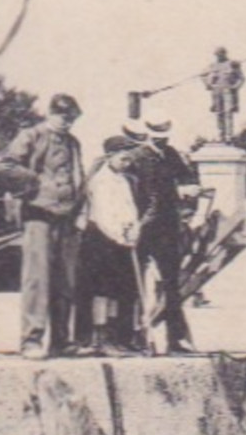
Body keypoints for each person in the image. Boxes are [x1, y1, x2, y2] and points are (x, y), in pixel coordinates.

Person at [0, 93, 87, 360]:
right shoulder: (31, 135)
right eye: (62, 117)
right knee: (37, 279)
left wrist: (80, 208)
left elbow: (77, 175)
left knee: (65, 281)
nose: (66, 122)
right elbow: (4, 164)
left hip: (68, 219)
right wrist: (34, 182)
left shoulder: (73, 143)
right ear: (50, 113)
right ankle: (31, 339)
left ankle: (61, 340)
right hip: (39, 216)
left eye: (71, 118)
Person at [74, 136, 152, 355]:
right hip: (101, 240)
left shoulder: (124, 180)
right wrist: (120, 234)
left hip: (122, 240)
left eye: (129, 159)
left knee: (123, 290)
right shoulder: (101, 181)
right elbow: (103, 215)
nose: (127, 163)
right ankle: (99, 337)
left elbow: (130, 209)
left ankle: (120, 336)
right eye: (123, 158)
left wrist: (134, 228)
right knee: (102, 290)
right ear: (110, 156)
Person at [130, 117, 197, 353]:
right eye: (156, 135)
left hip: (167, 227)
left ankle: (175, 338)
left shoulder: (171, 155)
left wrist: (189, 192)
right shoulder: (137, 157)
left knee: (171, 284)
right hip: (142, 226)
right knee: (135, 284)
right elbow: (133, 190)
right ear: (148, 134)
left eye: (164, 135)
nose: (161, 139)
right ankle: (136, 337)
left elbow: (189, 178)